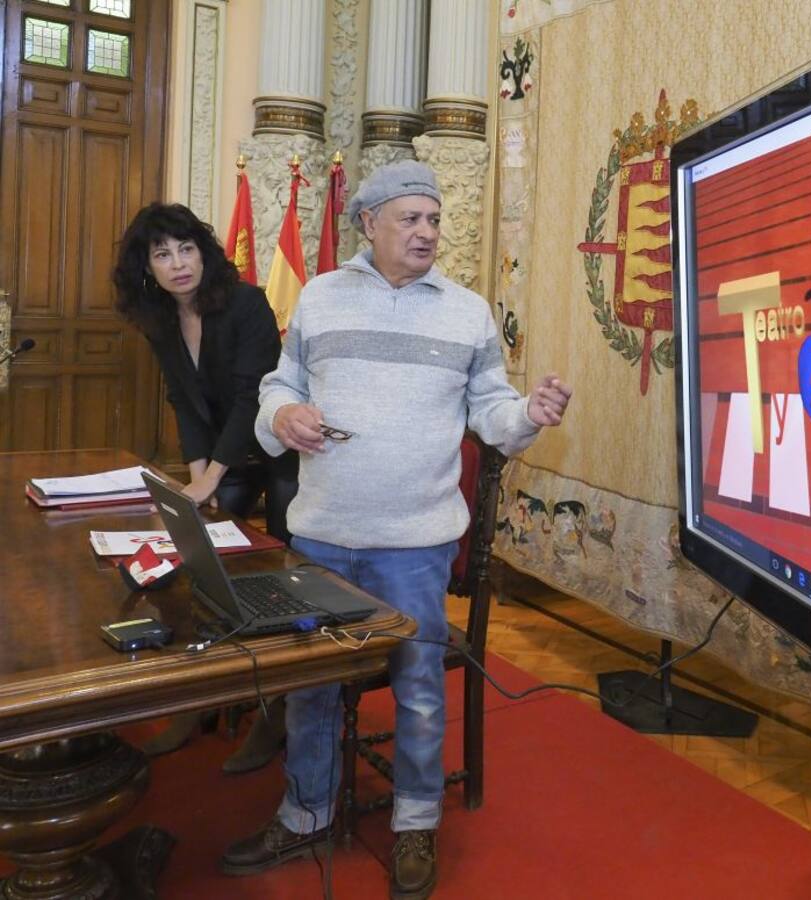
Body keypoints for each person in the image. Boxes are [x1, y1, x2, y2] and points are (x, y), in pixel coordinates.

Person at [220, 161, 572, 899]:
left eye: (434, 220)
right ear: (368, 225)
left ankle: (416, 822)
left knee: (416, 690)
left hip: (415, 543)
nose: (426, 232)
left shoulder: (466, 311)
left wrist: (529, 418)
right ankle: (307, 811)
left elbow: (494, 414)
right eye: (410, 219)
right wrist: (282, 415)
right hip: (320, 535)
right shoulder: (319, 296)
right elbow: (280, 386)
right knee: (310, 687)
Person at [113, 202, 297, 768]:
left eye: (186, 248)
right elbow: (184, 401)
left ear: (204, 251)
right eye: (162, 254)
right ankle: (199, 698)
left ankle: (276, 714)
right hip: (220, 455)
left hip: (278, 452)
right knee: (194, 569)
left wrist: (211, 477)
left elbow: (251, 398)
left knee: (281, 578)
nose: (178, 264)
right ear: (147, 269)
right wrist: (198, 481)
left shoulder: (245, 302)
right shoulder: (159, 317)